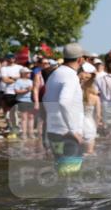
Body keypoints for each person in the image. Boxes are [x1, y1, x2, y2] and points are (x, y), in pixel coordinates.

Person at [42, 44, 86, 173]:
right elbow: (64, 102)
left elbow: (45, 100)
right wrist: (73, 130)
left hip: (54, 130)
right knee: (71, 175)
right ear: (80, 60)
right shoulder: (71, 76)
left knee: (61, 171)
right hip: (67, 133)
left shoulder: (55, 74)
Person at [0, 52, 25, 138]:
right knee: (8, 111)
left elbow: (24, 78)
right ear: (6, 59)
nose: (11, 59)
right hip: (8, 92)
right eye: (9, 58)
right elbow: (5, 80)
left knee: (17, 111)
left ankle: (16, 127)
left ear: (15, 58)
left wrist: (11, 78)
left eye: (12, 58)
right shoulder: (4, 69)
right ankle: (10, 126)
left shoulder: (20, 67)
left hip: (19, 92)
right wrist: (16, 78)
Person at [80, 63, 101, 155]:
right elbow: (98, 115)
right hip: (89, 124)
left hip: (77, 123)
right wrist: (96, 126)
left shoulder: (77, 94)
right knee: (90, 152)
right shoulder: (95, 98)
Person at [12, 67, 37, 138]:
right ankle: (24, 133)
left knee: (31, 117)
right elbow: (16, 91)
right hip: (22, 101)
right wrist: (27, 90)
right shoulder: (18, 81)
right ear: (23, 74)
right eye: (27, 73)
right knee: (24, 117)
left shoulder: (30, 81)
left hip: (30, 100)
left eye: (29, 72)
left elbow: (33, 90)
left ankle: (31, 133)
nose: (29, 74)